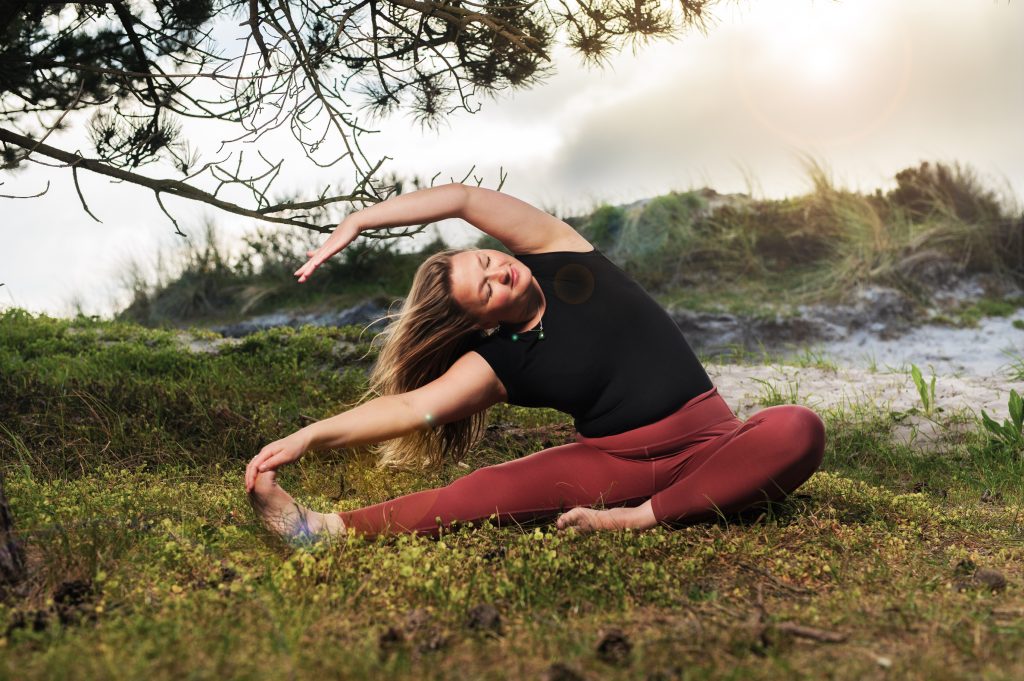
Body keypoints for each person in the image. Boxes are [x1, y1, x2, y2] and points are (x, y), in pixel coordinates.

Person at [244, 183, 826, 544]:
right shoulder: (498, 360)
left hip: (714, 440)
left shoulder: (559, 252)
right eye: (486, 289)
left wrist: (359, 221)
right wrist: (309, 437)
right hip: (617, 463)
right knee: (481, 492)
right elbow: (415, 407)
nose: (501, 272)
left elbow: (463, 199)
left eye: (487, 261)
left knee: (797, 428)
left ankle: (644, 519)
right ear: (481, 323)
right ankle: (320, 529)